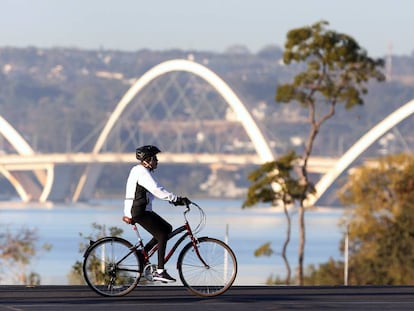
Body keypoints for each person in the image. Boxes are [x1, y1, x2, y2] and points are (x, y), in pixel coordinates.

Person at [122, 145, 190, 283]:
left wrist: (174, 199)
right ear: (147, 160)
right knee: (162, 234)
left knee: (167, 228)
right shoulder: (142, 172)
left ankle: (142, 255)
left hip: (142, 210)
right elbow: (156, 190)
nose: (157, 161)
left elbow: (160, 189)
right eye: (155, 158)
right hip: (138, 211)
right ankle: (160, 271)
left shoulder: (144, 171)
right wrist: (176, 199)